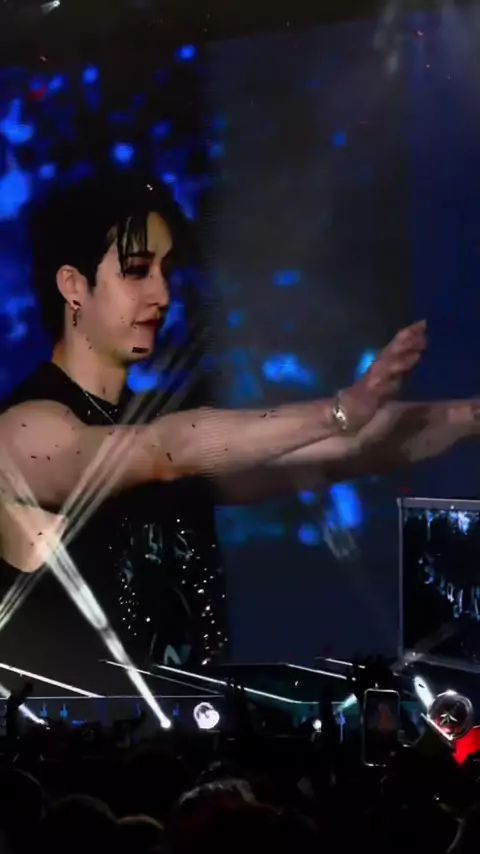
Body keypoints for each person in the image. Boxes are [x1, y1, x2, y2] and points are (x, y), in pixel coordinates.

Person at [0, 169, 475, 690]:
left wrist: (466, 417)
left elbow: (345, 450)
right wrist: (339, 410)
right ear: (73, 285)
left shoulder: (157, 421)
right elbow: (166, 451)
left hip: (197, 726)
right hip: (81, 738)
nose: (162, 293)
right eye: (137, 271)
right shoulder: (25, 428)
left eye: (166, 271)